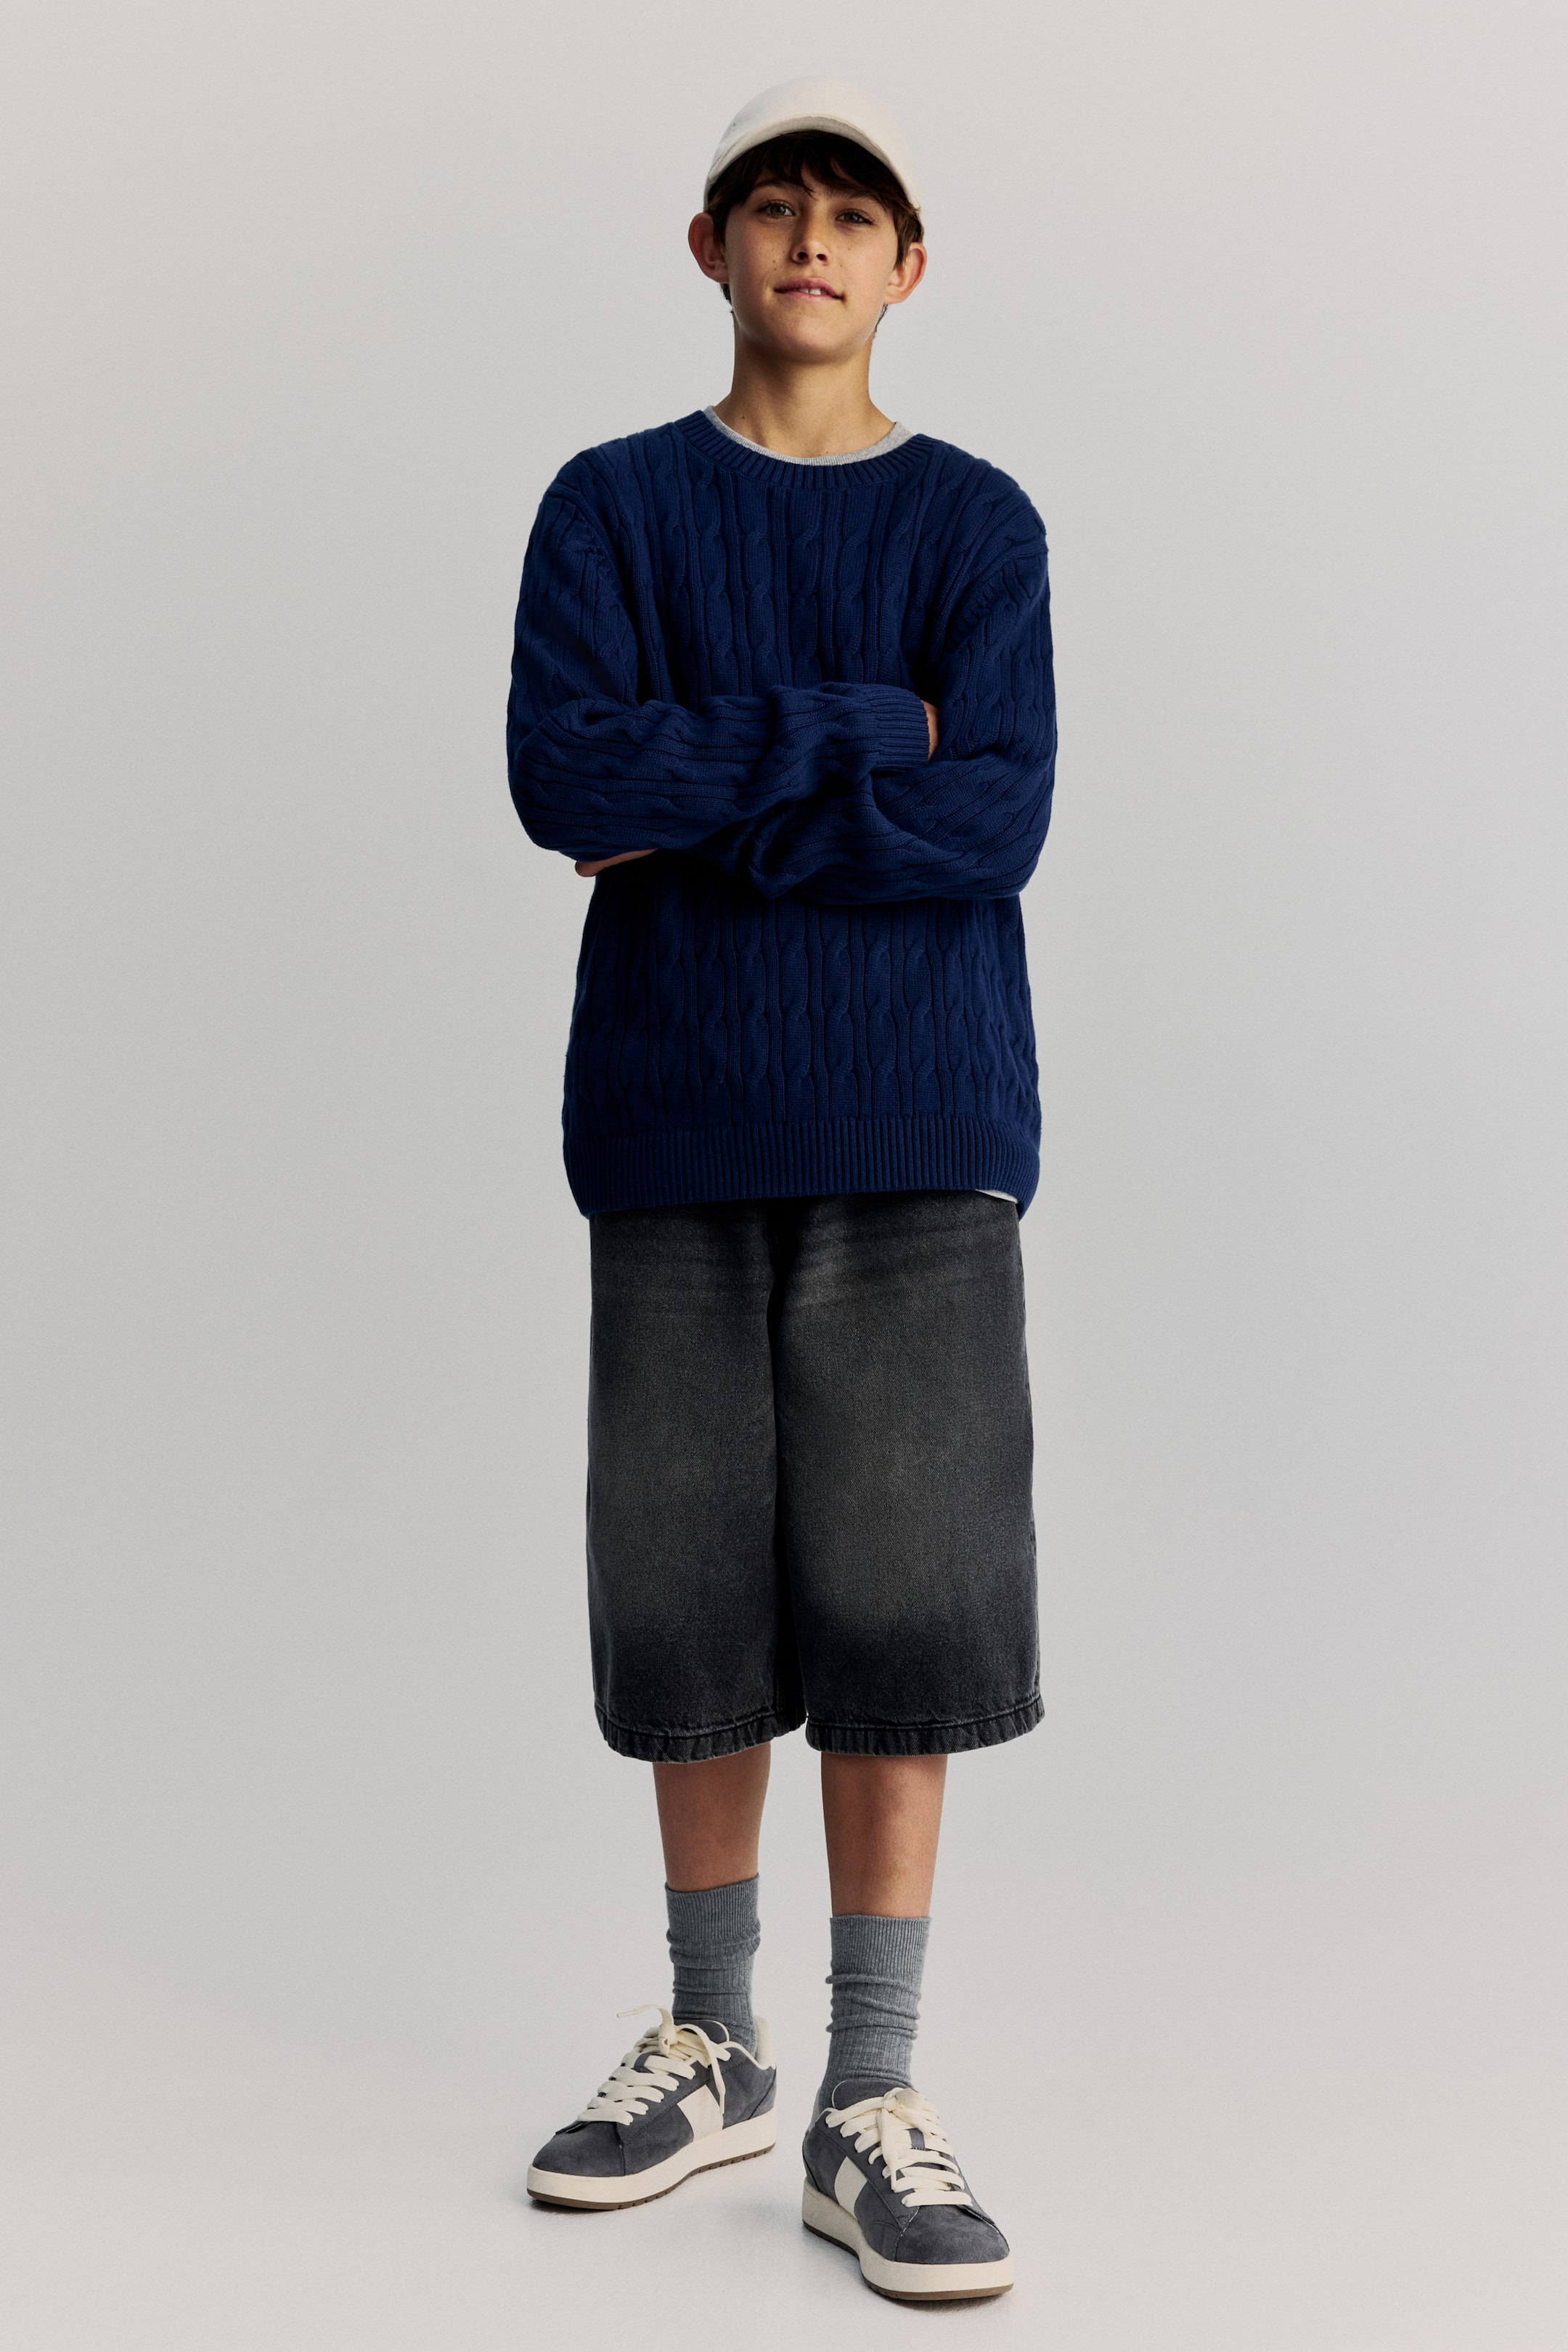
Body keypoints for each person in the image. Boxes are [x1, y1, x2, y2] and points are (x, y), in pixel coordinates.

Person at [506, 76, 1056, 2303]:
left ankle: (870, 2094)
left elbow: (996, 820)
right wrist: (862, 726)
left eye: (852, 214)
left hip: (922, 1126)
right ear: (712, 248)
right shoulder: (612, 505)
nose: (810, 241)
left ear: (909, 267)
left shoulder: (977, 524)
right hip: (670, 1119)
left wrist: (707, 797)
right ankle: (714, 2042)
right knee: (689, 1595)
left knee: (911, 1607)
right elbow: (565, 777)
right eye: (772, 207)